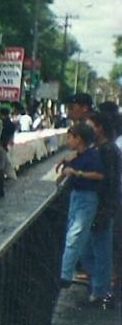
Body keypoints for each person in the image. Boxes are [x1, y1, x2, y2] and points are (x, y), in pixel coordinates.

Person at [56, 122, 104, 290]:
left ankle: (64, 276)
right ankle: (94, 279)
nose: (68, 141)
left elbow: (99, 175)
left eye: (70, 137)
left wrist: (77, 173)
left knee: (74, 237)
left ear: (79, 139)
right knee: (78, 239)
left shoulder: (92, 156)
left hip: (86, 198)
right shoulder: (80, 155)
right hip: (77, 197)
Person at [79, 112, 120, 305]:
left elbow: (108, 181)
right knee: (92, 248)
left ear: (100, 128)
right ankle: (99, 286)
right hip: (100, 205)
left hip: (101, 206)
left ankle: (100, 290)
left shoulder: (107, 150)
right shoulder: (104, 148)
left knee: (99, 249)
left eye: (91, 126)